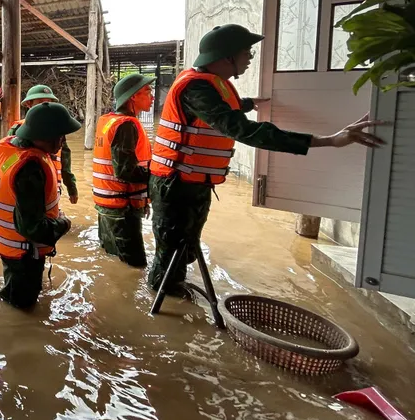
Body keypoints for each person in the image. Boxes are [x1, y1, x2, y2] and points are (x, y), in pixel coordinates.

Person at [148, 24, 385, 295]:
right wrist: (327, 140)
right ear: (226, 57)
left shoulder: (211, 85)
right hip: (175, 185)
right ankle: (163, 298)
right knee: (170, 251)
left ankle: (172, 287)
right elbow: (243, 130)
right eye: (246, 52)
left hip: (192, 182)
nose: (250, 58)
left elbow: (219, 110)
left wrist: (248, 103)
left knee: (186, 247)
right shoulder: (197, 90)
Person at [0, 102, 81, 309]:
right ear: (47, 135)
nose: (62, 142)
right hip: (23, 253)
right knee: (23, 306)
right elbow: (32, 228)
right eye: (60, 136)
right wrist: (63, 224)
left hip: (5, 243)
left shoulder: (10, 147)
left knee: (13, 290)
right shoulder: (30, 168)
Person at [92, 74, 155, 268]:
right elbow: (125, 171)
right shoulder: (126, 125)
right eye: (147, 92)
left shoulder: (108, 121)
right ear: (133, 97)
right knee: (135, 266)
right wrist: (158, 177)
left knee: (113, 259)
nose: (152, 96)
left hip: (107, 203)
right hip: (121, 207)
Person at [8, 84, 79, 203]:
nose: (45, 106)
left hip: (52, 186)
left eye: (49, 102)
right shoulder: (16, 130)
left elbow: (65, 163)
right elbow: (10, 162)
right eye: (40, 102)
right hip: (26, 190)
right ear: (29, 105)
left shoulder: (58, 131)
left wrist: (72, 188)